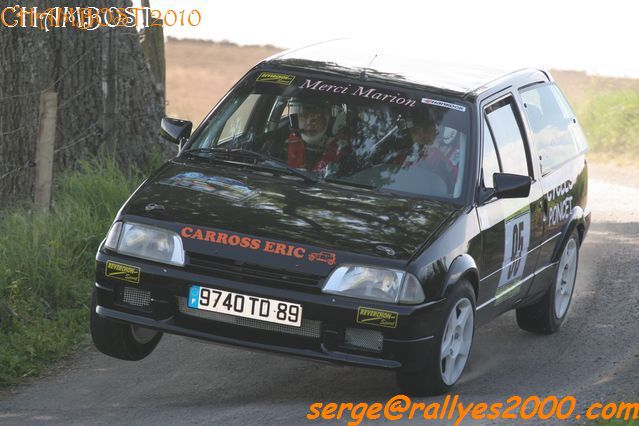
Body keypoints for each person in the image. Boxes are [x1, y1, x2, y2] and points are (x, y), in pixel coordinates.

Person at [285, 98, 349, 174]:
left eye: (318, 116)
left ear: (335, 121)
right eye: (304, 115)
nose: (308, 122)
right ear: (295, 119)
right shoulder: (281, 143)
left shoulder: (347, 154)